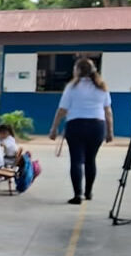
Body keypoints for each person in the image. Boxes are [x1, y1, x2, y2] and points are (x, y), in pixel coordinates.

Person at [48, 57, 113, 204]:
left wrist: (54, 128)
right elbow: (108, 111)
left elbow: (62, 110)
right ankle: (88, 192)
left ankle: (78, 195)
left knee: (76, 161)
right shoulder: (102, 87)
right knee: (91, 160)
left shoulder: (71, 87)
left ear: (77, 71)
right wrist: (110, 132)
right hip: (97, 126)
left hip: (76, 126)